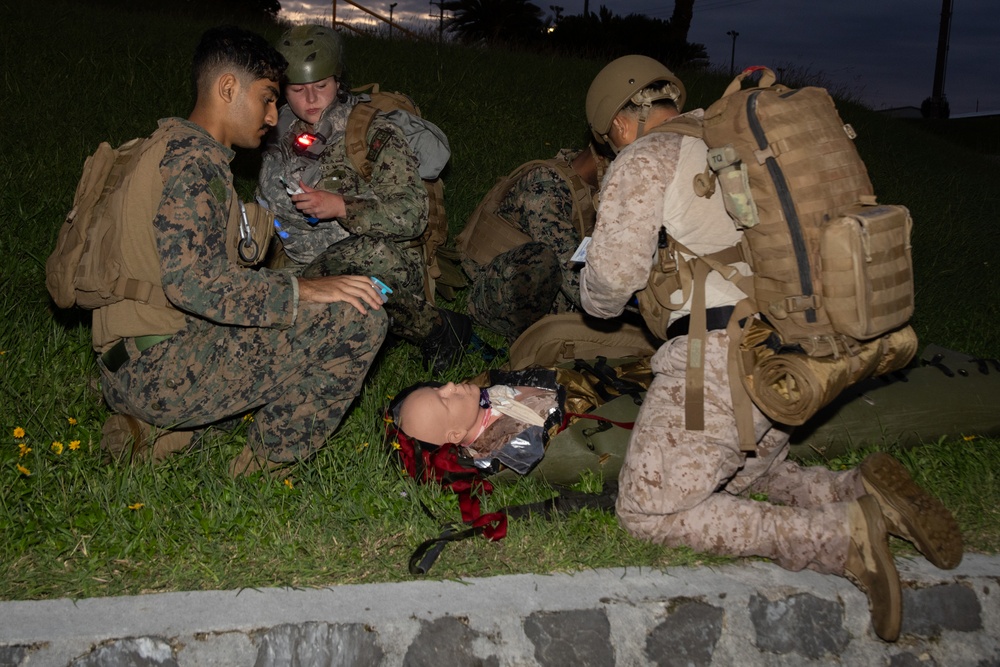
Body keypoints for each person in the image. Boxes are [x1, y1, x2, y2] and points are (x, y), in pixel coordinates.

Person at [578, 55, 962, 642]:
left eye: (610, 140)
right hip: (800, 350)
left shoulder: (645, 158)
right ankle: (855, 490)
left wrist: (591, 294)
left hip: (721, 358)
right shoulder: (733, 138)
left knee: (648, 510)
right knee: (745, 475)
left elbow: (610, 281)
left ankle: (841, 536)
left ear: (620, 125)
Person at [97, 26, 387, 477]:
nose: (274, 115)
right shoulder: (196, 166)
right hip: (158, 370)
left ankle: (159, 432)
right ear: (228, 88)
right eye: (268, 97)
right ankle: (264, 467)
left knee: (276, 340)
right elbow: (195, 285)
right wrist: (304, 291)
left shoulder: (164, 145)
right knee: (360, 316)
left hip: (132, 359)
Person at [258, 24, 471, 373]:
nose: (310, 100)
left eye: (321, 87)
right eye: (297, 90)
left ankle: (439, 327)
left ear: (338, 81)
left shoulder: (371, 133)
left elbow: (412, 214)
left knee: (338, 269)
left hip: (380, 260)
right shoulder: (275, 134)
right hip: (304, 264)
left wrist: (340, 206)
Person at [456, 146, 609, 341]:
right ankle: (526, 343)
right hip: (498, 297)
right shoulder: (544, 190)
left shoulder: (589, 183)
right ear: (603, 159)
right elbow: (573, 276)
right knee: (541, 260)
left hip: (553, 292)